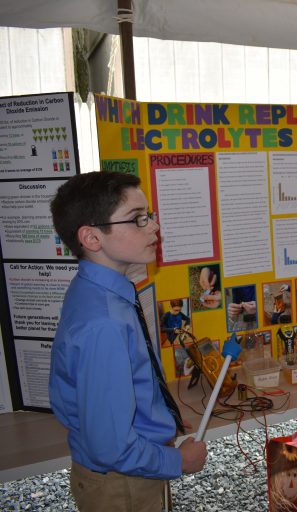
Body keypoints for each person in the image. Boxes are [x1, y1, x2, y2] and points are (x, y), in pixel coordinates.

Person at [49, 172, 207, 511]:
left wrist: (160, 417)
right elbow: (110, 446)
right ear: (91, 238)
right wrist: (178, 462)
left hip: (130, 469)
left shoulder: (100, 290)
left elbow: (124, 385)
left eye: (148, 215)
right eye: (138, 219)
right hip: (124, 485)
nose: (153, 227)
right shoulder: (103, 322)